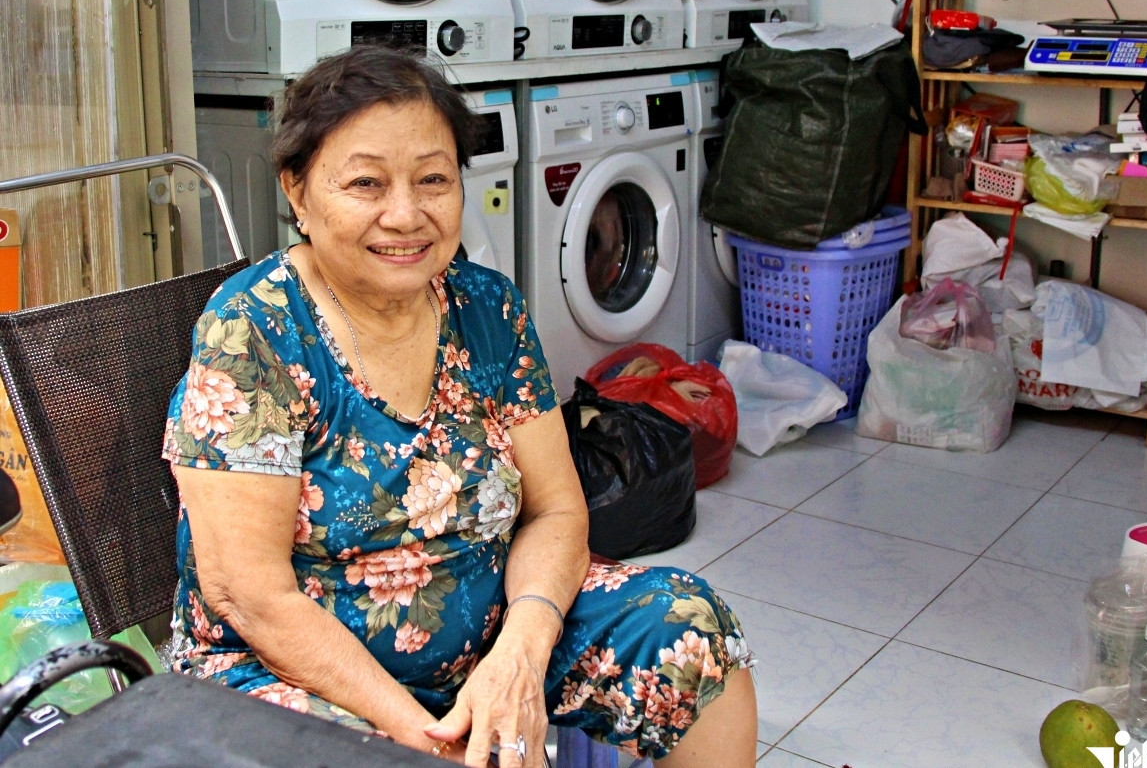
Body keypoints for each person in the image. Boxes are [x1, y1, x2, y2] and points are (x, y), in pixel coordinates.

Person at [161, 44, 757, 767]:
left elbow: (558, 511)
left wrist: (520, 655)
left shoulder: (488, 308)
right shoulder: (254, 333)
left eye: (433, 179)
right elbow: (250, 598)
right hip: (298, 669)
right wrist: (424, 734)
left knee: (690, 627)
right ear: (298, 191)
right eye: (366, 184)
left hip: (488, 637)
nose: (406, 214)